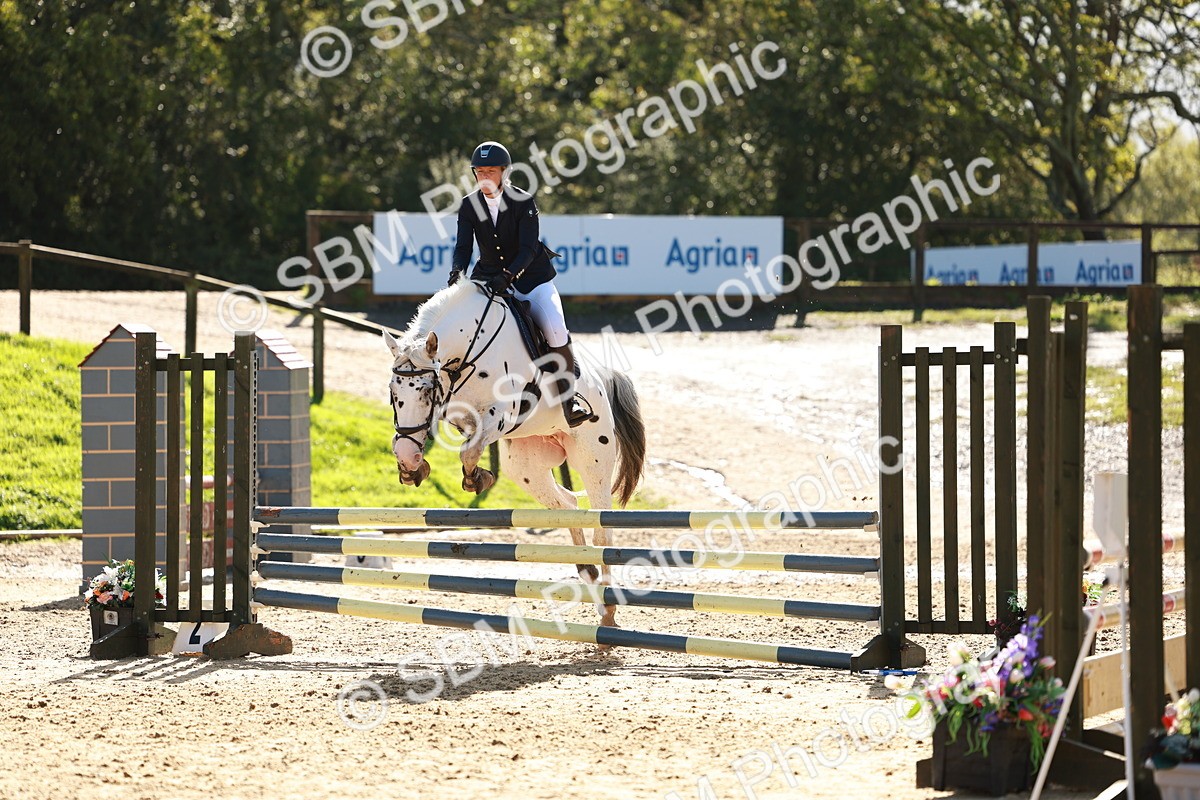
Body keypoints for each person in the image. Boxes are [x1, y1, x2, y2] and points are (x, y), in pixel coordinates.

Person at [449, 140, 591, 428]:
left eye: (491, 170)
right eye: (480, 171)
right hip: (488, 276)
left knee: (554, 327)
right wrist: (456, 272)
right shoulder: (469, 205)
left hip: (532, 278)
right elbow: (463, 246)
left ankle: (569, 399)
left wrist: (509, 276)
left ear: (504, 171)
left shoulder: (523, 202)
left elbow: (528, 248)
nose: (485, 176)